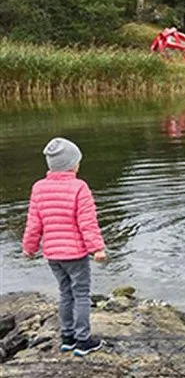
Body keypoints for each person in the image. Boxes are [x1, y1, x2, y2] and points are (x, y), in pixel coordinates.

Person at [22, 137, 107, 357]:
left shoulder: (39, 188)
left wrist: (29, 248)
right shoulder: (79, 187)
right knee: (81, 295)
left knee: (65, 293)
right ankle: (83, 340)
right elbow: (87, 223)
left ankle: (67, 337)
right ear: (73, 164)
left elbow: (34, 223)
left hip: (53, 255)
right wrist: (97, 248)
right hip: (75, 254)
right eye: (77, 160)